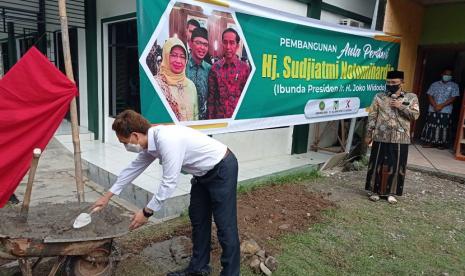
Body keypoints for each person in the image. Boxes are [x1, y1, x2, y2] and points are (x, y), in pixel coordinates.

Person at [92, 110, 240, 276]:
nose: (125, 146)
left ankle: (231, 273)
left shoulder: (167, 140)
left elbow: (169, 183)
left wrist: (147, 212)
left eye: (124, 142)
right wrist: (107, 196)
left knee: (225, 226)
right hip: (202, 175)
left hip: (222, 169)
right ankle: (198, 269)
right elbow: (133, 169)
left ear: (135, 135)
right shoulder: (150, 142)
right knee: (198, 220)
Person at [365, 70, 420, 204]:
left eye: (394, 82)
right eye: (388, 82)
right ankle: (375, 191)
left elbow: (415, 115)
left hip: (400, 138)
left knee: (396, 165)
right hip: (380, 136)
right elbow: (372, 116)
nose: (391, 84)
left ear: (402, 82)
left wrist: (400, 106)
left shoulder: (411, 97)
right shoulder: (379, 97)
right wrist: (369, 134)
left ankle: (391, 193)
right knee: (377, 163)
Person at [208, 28, 250, 119]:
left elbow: (247, 98)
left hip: (237, 121)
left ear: (237, 46)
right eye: (225, 42)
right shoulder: (215, 69)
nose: (228, 47)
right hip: (219, 121)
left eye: (232, 43)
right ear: (221, 44)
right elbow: (211, 100)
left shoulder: (244, 69)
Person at [155, 37, 198, 121]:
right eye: (174, 55)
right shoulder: (157, 84)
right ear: (166, 56)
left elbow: (195, 116)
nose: (178, 61)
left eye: (182, 57)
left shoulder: (191, 85)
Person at [420, 69, 460, 149]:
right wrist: (435, 105)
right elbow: (429, 95)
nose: (447, 76)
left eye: (449, 75)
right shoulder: (434, 84)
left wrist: (441, 105)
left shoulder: (454, 85)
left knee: (444, 126)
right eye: (446, 74)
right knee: (431, 125)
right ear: (442, 74)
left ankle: (442, 144)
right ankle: (430, 142)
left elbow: (454, 97)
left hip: (446, 110)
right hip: (433, 109)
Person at [186, 27, 211, 120]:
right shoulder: (183, 67)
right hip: (186, 120)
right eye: (198, 43)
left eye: (205, 44)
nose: (202, 47)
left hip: (204, 121)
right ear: (191, 43)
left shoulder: (210, 69)